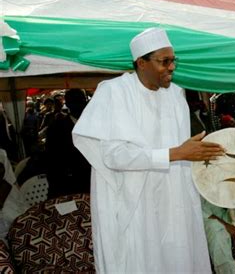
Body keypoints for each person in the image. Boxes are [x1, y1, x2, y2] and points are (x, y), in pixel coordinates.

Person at [72, 28, 225, 273]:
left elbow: (183, 148)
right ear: (141, 63)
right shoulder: (114, 92)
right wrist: (174, 154)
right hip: (134, 201)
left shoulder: (176, 95)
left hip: (174, 199)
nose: (172, 67)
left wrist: (197, 153)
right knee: (142, 261)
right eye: (164, 61)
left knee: (179, 258)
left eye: (173, 60)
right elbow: (112, 155)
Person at [45, 89, 91, 198]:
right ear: (68, 104)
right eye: (74, 101)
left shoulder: (94, 125)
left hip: (91, 182)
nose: (79, 105)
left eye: (80, 101)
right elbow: (51, 159)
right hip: (67, 185)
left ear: (85, 102)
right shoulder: (56, 127)